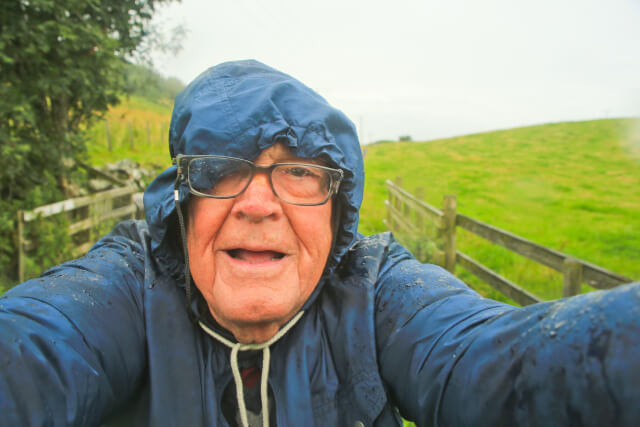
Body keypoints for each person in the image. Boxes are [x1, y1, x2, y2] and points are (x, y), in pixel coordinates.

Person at [1, 60, 639, 427]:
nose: (256, 202)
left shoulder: (375, 290)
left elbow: (491, 366)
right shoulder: (127, 285)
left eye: (300, 172)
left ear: (339, 211)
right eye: (221, 169)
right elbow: (34, 349)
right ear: (183, 203)